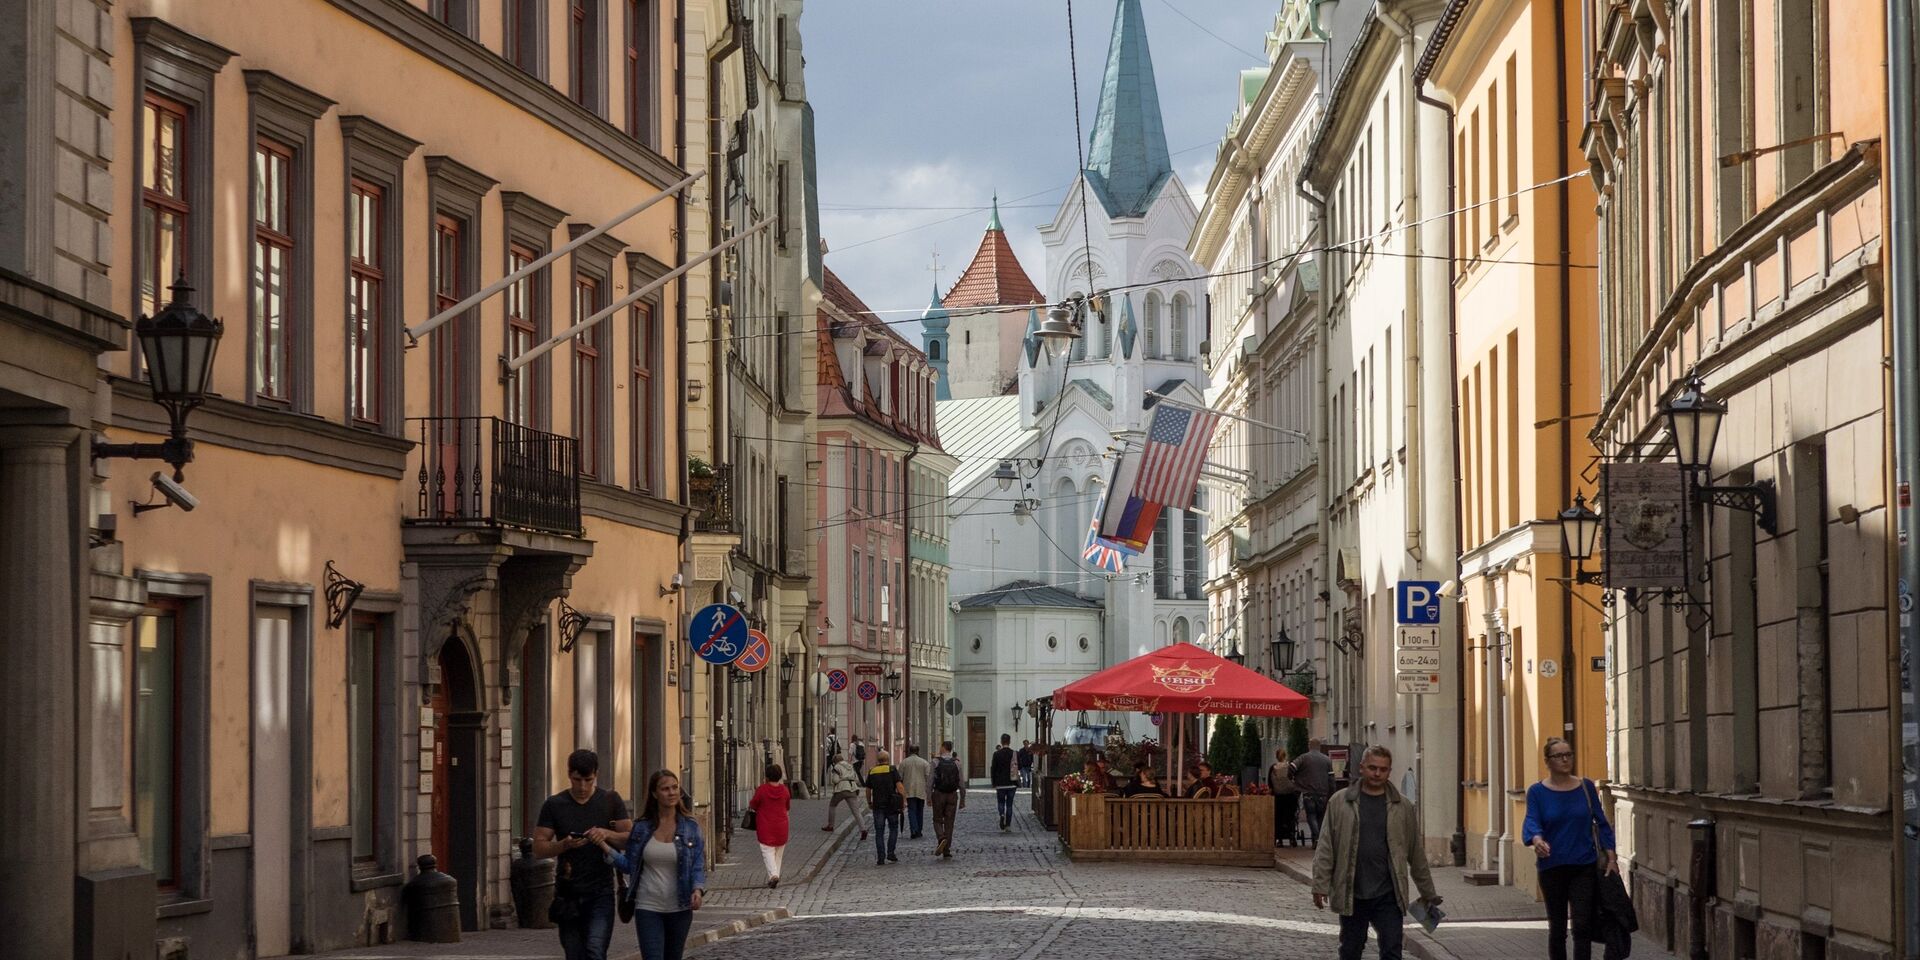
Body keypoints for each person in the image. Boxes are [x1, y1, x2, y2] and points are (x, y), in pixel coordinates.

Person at [1311, 745, 1441, 960]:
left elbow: (1416, 854)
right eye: (1372, 768)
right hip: (1353, 891)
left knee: (1392, 949)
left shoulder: (1403, 807)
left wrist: (1428, 893)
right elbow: (1326, 846)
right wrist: (1320, 884)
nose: (1377, 774)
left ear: (1389, 771)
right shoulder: (1341, 802)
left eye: (1383, 769)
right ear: (1362, 768)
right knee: (1350, 950)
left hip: (1389, 893)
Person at [1522, 737, 1618, 960]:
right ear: (1548, 761)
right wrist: (1537, 840)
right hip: (1552, 867)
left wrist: (1611, 858)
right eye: (1559, 756)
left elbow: (1601, 823)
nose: (1565, 759)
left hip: (1583, 866)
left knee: (1582, 925)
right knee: (1557, 928)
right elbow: (1532, 820)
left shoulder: (1585, 787)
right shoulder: (1537, 792)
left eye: (1569, 754)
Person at [535, 749, 633, 960]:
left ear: (596, 775)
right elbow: (539, 848)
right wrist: (564, 845)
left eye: (588, 780)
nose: (582, 787)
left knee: (595, 950)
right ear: (569, 774)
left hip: (601, 891)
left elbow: (631, 839)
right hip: (568, 893)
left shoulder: (610, 800)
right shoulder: (554, 804)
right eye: (577, 780)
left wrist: (606, 833)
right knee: (574, 953)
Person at [596, 769, 703, 960]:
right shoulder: (642, 827)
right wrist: (605, 848)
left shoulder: (690, 826)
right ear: (654, 794)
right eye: (665, 789)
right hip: (648, 906)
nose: (671, 793)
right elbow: (630, 865)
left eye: (674, 788)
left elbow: (697, 864)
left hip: (680, 907)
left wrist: (697, 889)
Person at [748, 763, 791, 889]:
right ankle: (775, 875)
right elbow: (788, 806)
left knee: (767, 851)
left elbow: (753, 804)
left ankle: (773, 875)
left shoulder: (762, 790)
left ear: (766, 776)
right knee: (778, 853)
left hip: (766, 825)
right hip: (782, 825)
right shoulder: (784, 790)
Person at [864, 748, 906, 864]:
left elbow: (867, 790)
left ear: (878, 760)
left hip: (878, 805)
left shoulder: (872, 771)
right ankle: (891, 853)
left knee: (879, 831)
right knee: (893, 828)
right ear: (888, 759)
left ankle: (881, 857)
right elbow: (900, 787)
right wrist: (904, 801)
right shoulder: (892, 770)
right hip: (892, 805)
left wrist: (869, 802)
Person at [1293, 738, 1335, 846]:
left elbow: (1292, 766)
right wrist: (1332, 792)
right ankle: (1318, 839)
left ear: (1309, 746)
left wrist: (1293, 778)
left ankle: (1316, 838)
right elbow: (1331, 778)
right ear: (1319, 746)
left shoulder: (1304, 757)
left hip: (1309, 793)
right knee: (1320, 816)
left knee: (1311, 816)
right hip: (1323, 793)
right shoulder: (1327, 760)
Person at [929, 740, 967, 859]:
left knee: (937, 819)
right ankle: (947, 850)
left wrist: (928, 796)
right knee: (949, 823)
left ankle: (941, 837)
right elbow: (961, 782)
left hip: (939, 794)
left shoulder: (935, 762)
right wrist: (962, 799)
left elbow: (930, 781)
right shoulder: (957, 763)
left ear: (943, 748)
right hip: (952, 795)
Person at [825, 754, 868, 840]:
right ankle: (863, 829)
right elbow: (856, 779)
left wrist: (841, 779)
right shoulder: (850, 766)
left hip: (841, 789)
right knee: (856, 811)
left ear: (835, 761)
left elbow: (835, 780)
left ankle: (830, 825)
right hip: (852, 789)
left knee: (832, 805)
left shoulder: (837, 767)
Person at [1269, 746, 1302, 847]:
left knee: (1278, 817)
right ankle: (1291, 836)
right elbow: (1296, 779)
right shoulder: (1290, 766)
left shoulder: (1273, 768)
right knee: (1291, 816)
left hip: (1278, 796)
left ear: (1276, 757)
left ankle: (1279, 839)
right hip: (1290, 796)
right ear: (1285, 756)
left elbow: (1270, 783)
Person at [898, 743, 931, 839]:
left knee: (911, 810)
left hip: (908, 789)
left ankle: (914, 830)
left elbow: (899, 777)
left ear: (909, 751)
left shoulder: (904, 762)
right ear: (918, 751)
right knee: (920, 810)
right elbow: (928, 777)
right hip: (921, 789)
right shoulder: (924, 762)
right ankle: (919, 830)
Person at [990, 734, 1019, 830]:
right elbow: (1020, 765)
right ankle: (1008, 825)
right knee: (1010, 804)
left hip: (1000, 783)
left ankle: (1002, 814)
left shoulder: (997, 754)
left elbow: (993, 769)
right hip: (1012, 782)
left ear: (1001, 742)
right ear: (1009, 742)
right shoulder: (1014, 753)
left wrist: (993, 782)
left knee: (1001, 802)